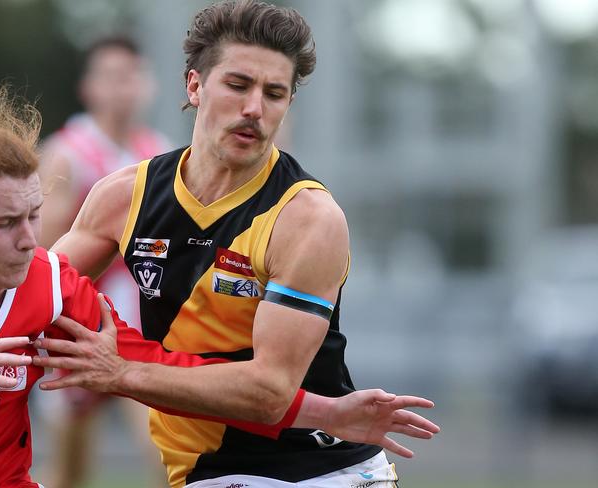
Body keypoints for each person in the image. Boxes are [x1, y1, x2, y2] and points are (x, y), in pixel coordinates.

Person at [33, 1, 441, 487]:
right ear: (195, 86)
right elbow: (34, 292)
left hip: (316, 473)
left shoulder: (306, 217)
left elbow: (268, 393)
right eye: (238, 85)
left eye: (274, 93)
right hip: (203, 472)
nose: (254, 108)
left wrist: (120, 371)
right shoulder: (124, 195)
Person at [0, 88, 438, 487]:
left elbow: (156, 367)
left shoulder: (50, 289)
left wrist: (327, 413)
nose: (30, 240)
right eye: (4, 222)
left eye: (34, 217)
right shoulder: (130, 193)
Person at [37, 35, 170, 488]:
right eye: (111, 76)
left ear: (148, 85)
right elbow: (44, 250)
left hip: (140, 323)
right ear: (89, 87)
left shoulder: (160, 153)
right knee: (69, 470)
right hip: (76, 324)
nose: (123, 88)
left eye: (131, 76)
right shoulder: (67, 152)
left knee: (167, 450)